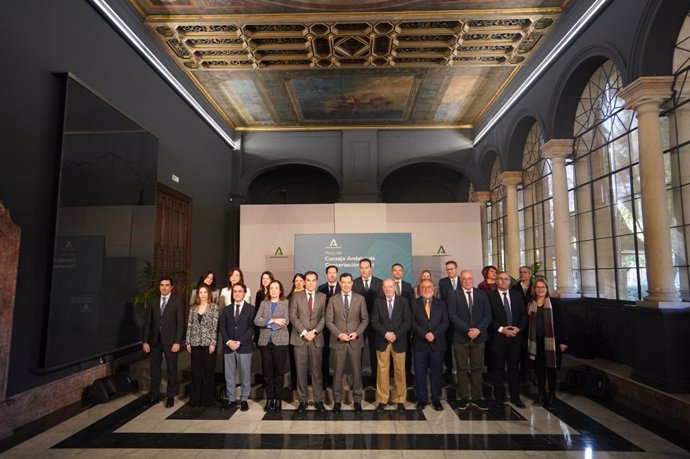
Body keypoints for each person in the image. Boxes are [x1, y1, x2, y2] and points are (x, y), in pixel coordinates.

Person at [448, 269, 492, 411]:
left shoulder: (482, 294)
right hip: (461, 338)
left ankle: (477, 397)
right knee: (461, 368)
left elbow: (488, 315)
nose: (467, 281)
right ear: (461, 280)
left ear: (473, 279)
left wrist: (478, 330)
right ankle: (464, 398)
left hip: (479, 338)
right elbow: (453, 316)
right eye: (464, 279)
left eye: (469, 278)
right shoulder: (454, 295)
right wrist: (468, 330)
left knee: (477, 368)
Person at [326, 272, 369, 413]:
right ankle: (337, 401)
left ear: (352, 283)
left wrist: (356, 332)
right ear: (340, 283)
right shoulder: (333, 299)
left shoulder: (360, 299)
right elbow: (329, 321)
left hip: (355, 341)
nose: (345, 285)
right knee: (337, 372)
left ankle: (357, 401)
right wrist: (339, 334)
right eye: (343, 282)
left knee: (357, 372)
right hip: (338, 341)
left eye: (348, 282)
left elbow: (365, 319)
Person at [142, 276, 184, 408]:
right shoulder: (153, 302)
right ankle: (154, 395)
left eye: (167, 285)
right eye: (162, 285)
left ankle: (170, 396)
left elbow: (180, 324)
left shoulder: (177, 302)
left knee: (171, 369)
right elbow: (148, 323)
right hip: (154, 341)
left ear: (171, 287)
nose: (164, 287)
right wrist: (145, 341)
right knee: (155, 369)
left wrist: (177, 342)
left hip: (171, 342)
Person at [487, 271, 527, 409]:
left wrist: (518, 329)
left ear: (510, 281)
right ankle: (499, 397)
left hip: (515, 338)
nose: (504, 281)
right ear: (496, 281)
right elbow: (488, 317)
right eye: (500, 279)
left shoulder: (517, 295)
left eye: (506, 279)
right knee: (498, 369)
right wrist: (501, 329)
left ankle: (515, 397)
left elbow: (523, 315)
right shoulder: (490, 296)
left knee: (514, 369)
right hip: (498, 338)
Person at [289, 270, 327, 413]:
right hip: (300, 339)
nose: (311, 283)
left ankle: (318, 400)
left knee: (317, 372)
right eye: (308, 280)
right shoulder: (296, 296)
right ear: (304, 282)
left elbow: (324, 318)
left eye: (313, 280)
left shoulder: (322, 297)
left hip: (316, 338)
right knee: (301, 371)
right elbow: (293, 316)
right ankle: (302, 401)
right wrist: (305, 332)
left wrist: (314, 332)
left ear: (317, 282)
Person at [527, 279, 568, 409]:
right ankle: (541, 393)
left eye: (543, 287)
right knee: (539, 369)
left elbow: (562, 322)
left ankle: (551, 395)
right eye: (538, 287)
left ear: (547, 288)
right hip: (536, 341)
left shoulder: (554, 303)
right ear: (534, 289)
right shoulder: (530, 303)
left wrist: (563, 341)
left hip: (552, 342)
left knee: (551, 369)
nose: (540, 289)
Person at [371, 278, 411, 412]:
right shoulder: (378, 302)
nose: (388, 289)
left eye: (390, 286)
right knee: (382, 372)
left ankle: (400, 400)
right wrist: (386, 334)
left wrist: (395, 334)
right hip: (383, 341)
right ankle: (382, 400)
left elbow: (407, 321)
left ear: (395, 287)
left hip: (398, 341)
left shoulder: (403, 302)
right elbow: (374, 321)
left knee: (400, 371)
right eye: (386, 287)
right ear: (382, 288)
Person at [410, 278, 449, 411]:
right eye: (423, 287)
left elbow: (445, 322)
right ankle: (422, 399)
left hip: (437, 344)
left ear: (434, 288)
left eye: (429, 287)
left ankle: (436, 399)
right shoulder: (414, 303)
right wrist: (425, 334)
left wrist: (434, 334)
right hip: (419, 343)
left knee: (437, 373)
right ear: (420, 289)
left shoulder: (441, 303)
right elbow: (412, 322)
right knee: (420, 373)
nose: (426, 289)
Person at [254, 280, 290, 411]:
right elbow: (257, 320)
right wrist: (273, 321)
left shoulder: (285, 303)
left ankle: (278, 399)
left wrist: (268, 325)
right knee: (268, 372)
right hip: (265, 342)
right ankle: (270, 399)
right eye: (271, 288)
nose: (274, 290)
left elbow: (286, 321)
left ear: (280, 290)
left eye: (276, 288)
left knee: (279, 372)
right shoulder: (264, 303)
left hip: (280, 341)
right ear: (268, 290)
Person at [219, 283, 255, 412]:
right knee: (229, 375)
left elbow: (251, 328)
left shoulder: (251, 309)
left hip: (244, 346)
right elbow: (222, 327)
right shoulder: (227, 309)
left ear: (244, 293)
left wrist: (239, 342)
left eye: (240, 291)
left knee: (245, 374)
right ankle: (231, 399)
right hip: (229, 347)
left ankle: (244, 399)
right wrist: (228, 341)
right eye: (235, 291)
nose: (237, 294)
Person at [185, 284, 220, 407]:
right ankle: (195, 399)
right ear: (198, 294)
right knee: (195, 371)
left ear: (209, 294)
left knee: (208, 370)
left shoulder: (214, 307)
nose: (203, 294)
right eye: (201, 292)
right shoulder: (193, 308)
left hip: (208, 343)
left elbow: (215, 327)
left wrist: (213, 342)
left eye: (205, 292)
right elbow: (189, 325)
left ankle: (207, 399)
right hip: (194, 342)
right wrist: (188, 341)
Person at [352, 258, 382, 385]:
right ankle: (357, 381)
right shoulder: (354, 283)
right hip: (359, 324)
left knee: (375, 353)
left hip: (375, 324)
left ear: (371, 268)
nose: (364, 270)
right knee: (358, 353)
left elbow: (381, 305)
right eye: (362, 268)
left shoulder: (379, 282)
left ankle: (376, 381)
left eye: (366, 267)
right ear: (359, 269)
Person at [317, 265, 340, 388]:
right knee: (324, 355)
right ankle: (325, 380)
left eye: (334, 272)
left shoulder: (342, 288)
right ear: (326, 275)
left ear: (337, 274)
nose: (331, 275)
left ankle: (337, 381)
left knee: (338, 357)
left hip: (339, 328)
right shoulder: (321, 288)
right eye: (329, 272)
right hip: (324, 328)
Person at [438, 260, 460, 376]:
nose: (449, 271)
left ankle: (462, 367)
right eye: (447, 269)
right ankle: (449, 367)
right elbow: (444, 299)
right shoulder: (443, 282)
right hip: (448, 317)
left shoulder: (463, 280)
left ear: (456, 268)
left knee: (461, 344)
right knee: (447, 343)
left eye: (451, 269)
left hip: (462, 318)